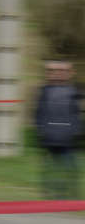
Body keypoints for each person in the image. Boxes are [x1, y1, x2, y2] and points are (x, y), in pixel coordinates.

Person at [32, 58, 81, 200]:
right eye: (52, 71)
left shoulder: (73, 91)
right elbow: (39, 113)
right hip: (49, 139)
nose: (57, 74)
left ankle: (68, 196)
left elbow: (75, 114)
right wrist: (41, 131)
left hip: (68, 140)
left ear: (70, 73)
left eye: (62, 71)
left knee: (69, 169)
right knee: (50, 170)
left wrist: (76, 132)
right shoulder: (44, 92)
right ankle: (49, 195)